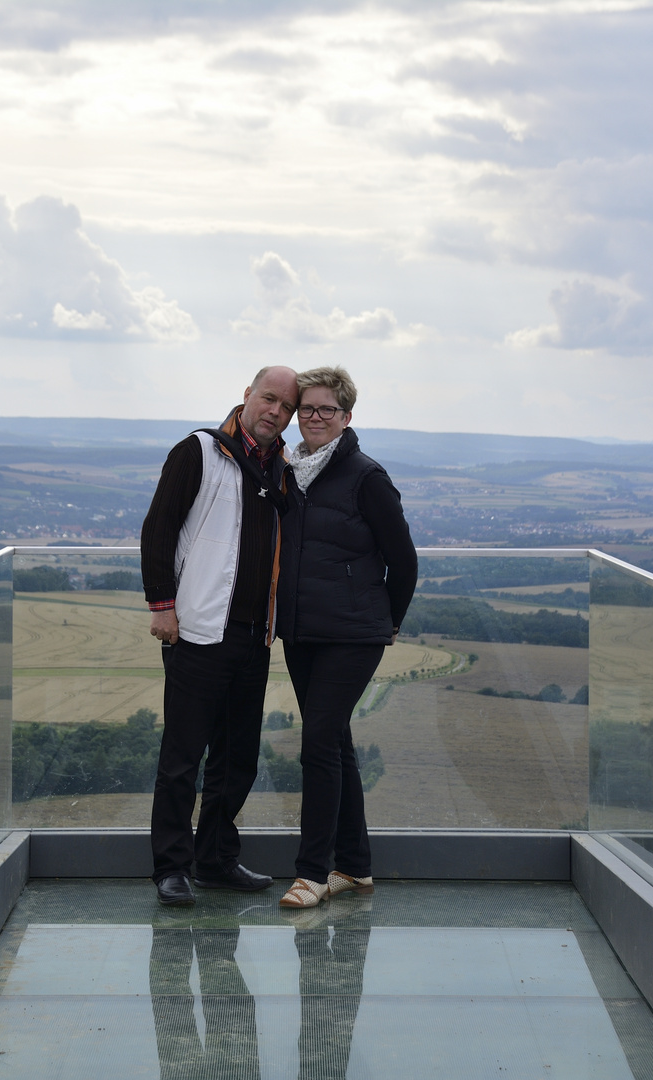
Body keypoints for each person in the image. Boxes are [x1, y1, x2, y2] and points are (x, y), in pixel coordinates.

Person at [141, 366, 299, 906]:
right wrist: (163, 606)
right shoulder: (199, 451)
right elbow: (158, 527)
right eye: (268, 398)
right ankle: (172, 867)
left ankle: (214, 859)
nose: (275, 411)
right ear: (247, 396)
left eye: (286, 406)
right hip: (199, 630)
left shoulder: (281, 468)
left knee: (237, 760)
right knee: (183, 757)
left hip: (255, 637)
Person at [275, 366, 416, 909]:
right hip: (302, 631)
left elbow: (403, 560)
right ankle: (354, 868)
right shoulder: (287, 471)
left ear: (346, 417)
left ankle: (311, 873)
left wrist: (391, 622)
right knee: (334, 743)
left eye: (325, 410)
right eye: (305, 408)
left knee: (317, 743)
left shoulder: (365, 476)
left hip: (354, 634)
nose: (313, 417)